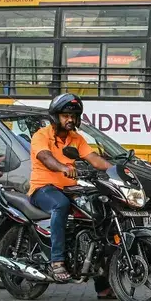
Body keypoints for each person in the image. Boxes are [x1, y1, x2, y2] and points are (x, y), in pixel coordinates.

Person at [29, 93, 112, 283]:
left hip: (71, 190)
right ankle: (57, 261)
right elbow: (45, 158)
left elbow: (94, 159)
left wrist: (118, 171)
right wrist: (63, 168)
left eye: (73, 116)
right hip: (43, 189)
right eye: (66, 116)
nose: (70, 119)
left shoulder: (76, 138)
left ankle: (103, 283)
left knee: (99, 213)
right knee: (60, 205)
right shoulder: (41, 136)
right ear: (56, 116)